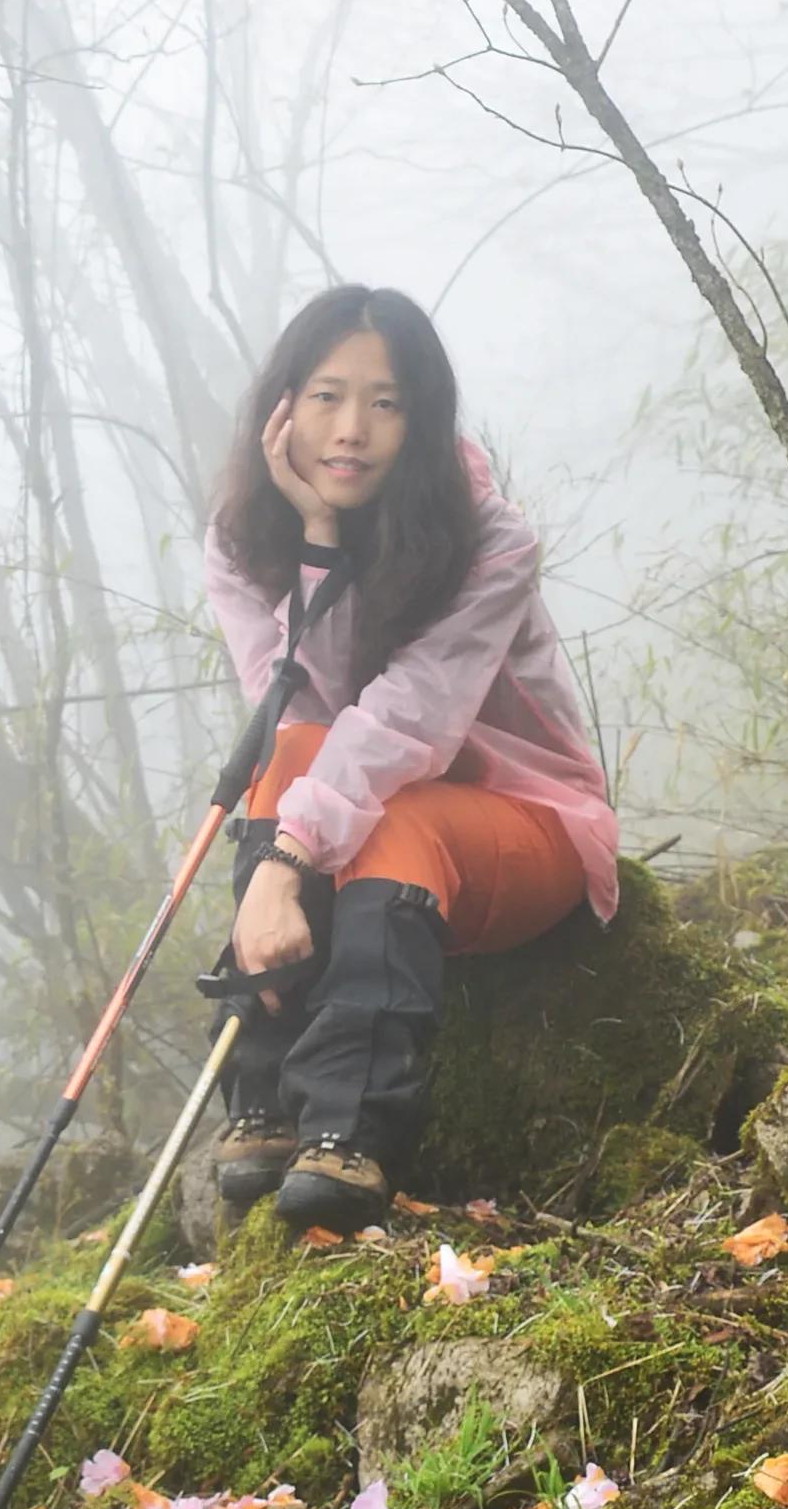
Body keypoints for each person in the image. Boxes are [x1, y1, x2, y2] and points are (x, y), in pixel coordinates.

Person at [200, 284, 617, 1234]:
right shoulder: (241, 540)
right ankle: (264, 1088)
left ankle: (351, 1129)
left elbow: (403, 725)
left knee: (391, 806)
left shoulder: (491, 541)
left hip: (523, 823)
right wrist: (319, 544)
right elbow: (300, 713)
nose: (352, 430)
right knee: (296, 745)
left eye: (386, 403)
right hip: (364, 816)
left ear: (421, 419)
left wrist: (286, 861)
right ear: (283, 407)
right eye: (327, 397)